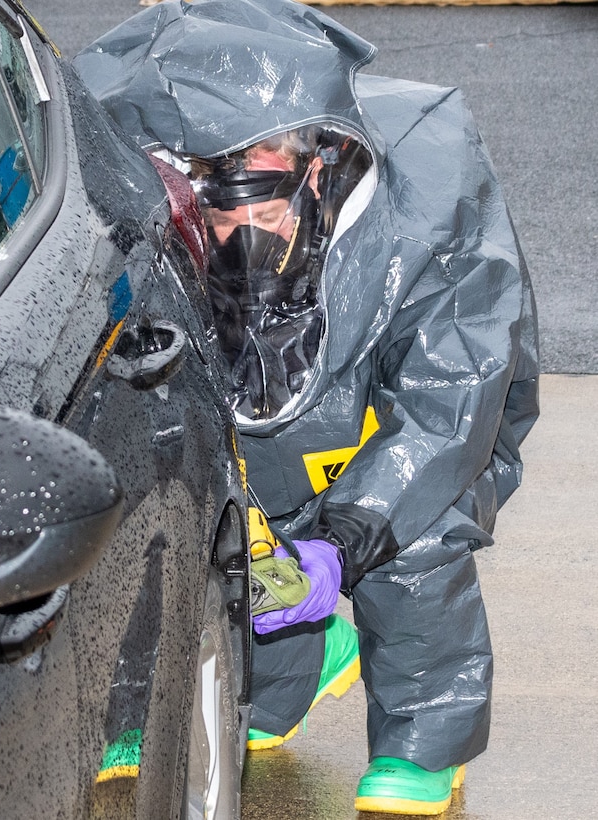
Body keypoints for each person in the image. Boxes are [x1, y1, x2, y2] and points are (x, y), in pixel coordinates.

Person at [73, 0, 539, 814]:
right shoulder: (147, 217)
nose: (228, 219)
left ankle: (423, 734)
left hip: (410, 419)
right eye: (198, 185)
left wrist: (347, 535)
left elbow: (445, 400)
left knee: (415, 530)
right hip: (279, 418)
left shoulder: (424, 207)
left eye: (252, 185)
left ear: (314, 163)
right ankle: (290, 662)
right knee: (227, 518)